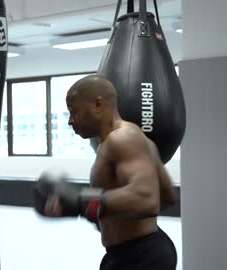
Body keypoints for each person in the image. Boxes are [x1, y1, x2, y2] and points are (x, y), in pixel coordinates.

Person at [34, 74, 179, 270]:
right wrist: (104, 213)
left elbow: (147, 199)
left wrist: (81, 201)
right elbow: (168, 196)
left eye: (73, 111)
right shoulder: (133, 137)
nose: (70, 121)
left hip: (139, 257)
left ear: (98, 104)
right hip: (137, 252)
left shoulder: (121, 139)